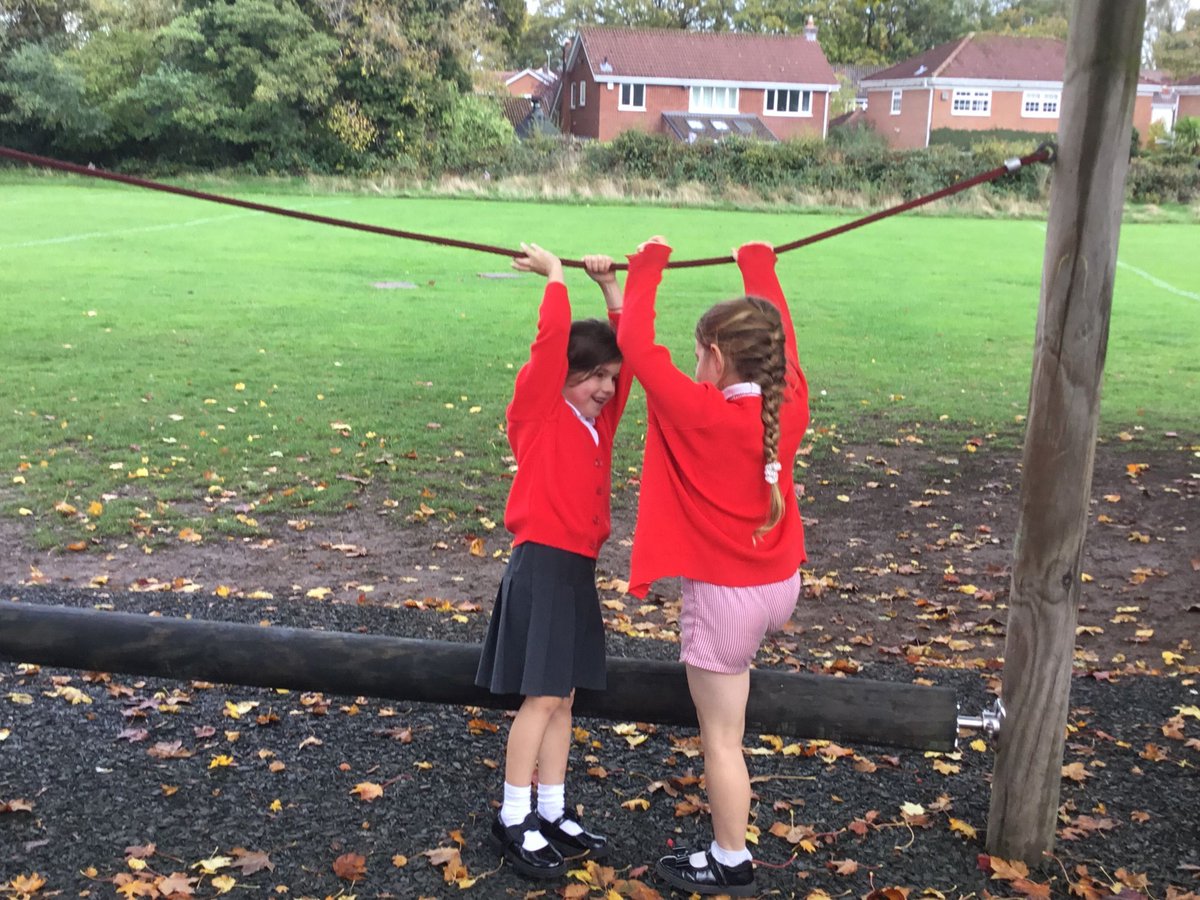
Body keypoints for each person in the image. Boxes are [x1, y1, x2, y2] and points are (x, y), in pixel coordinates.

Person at [616, 236, 809, 897]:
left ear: (717, 359)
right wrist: (759, 267)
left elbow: (638, 352)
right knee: (731, 706)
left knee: (721, 738)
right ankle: (728, 845)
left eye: (700, 351)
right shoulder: (789, 407)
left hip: (728, 600)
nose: (694, 361)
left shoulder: (701, 414)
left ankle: (731, 858)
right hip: (781, 584)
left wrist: (646, 266)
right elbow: (787, 347)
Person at [475, 242, 631, 879]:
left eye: (610, 379)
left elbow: (632, 365)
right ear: (567, 375)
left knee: (563, 699)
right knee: (540, 700)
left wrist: (613, 293)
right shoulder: (539, 414)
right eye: (593, 375)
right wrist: (558, 279)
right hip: (542, 562)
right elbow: (546, 355)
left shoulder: (597, 423)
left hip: (575, 571)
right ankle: (513, 816)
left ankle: (552, 807)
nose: (605, 389)